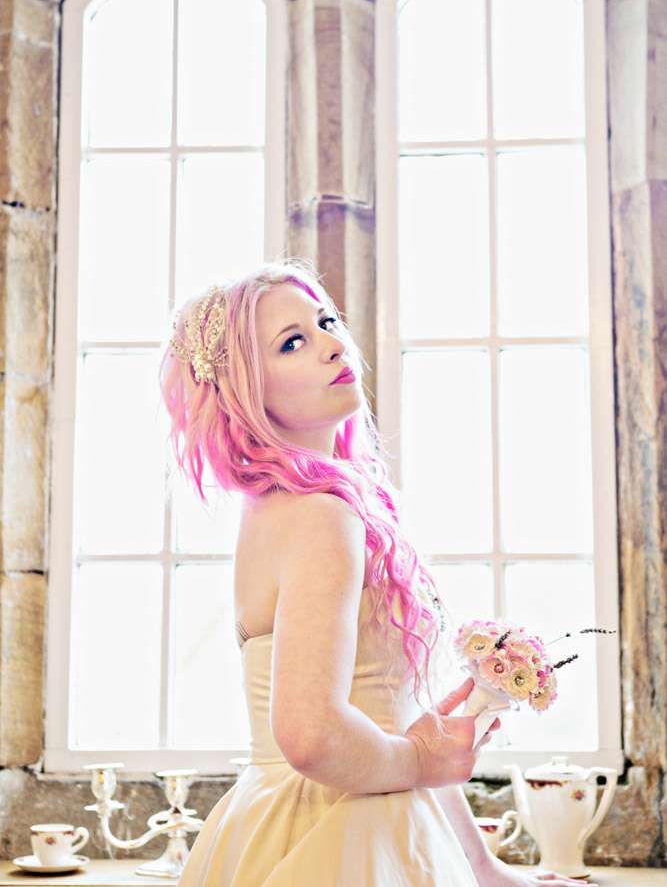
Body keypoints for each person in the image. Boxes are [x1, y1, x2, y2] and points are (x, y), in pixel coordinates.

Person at [158, 257, 596, 887]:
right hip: (332, 834)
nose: (334, 345)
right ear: (247, 390)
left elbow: (387, 728)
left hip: (320, 821)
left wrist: (481, 866)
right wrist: (419, 758)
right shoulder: (318, 515)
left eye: (326, 322)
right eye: (291, 343)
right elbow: (311, 737)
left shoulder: (287, 509)